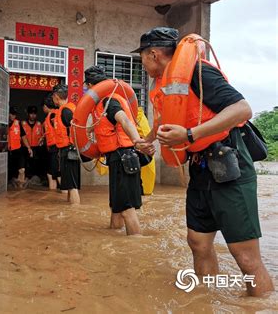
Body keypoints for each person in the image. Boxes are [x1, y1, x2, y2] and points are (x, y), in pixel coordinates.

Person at [132, 27, 274, 296]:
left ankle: (261, 304)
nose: (142, 63)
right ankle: (207, 300)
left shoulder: (198, 72)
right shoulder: (165, 85)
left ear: (153, 54)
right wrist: (150, 139)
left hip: (228, 162)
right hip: (200, 167)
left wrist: (189, 134)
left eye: (142, 57)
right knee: (197, 242)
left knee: (245, 257)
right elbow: (167, 121)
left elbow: (243, 109)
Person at [84, 65, 153, 235]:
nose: (86, 89)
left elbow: (124, 120)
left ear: (93, 85)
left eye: (87, 86)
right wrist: (88, 130)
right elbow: (106, 125)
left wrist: (137, 140)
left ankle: (136, 245)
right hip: (117, 158)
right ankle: (114, 237)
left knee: (127, 209)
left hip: (124, 157)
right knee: (117, 206)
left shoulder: (108, 101)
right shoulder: (103, 104)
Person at [52, 84, 80, 204]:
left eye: (53, 96)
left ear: (56, 97)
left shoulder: (66, 111)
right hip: (66, 151)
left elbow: (75, 131)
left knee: (72, 186)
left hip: (70, 152)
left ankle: (75, 211)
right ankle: (70, 210)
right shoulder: (64, 110)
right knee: (70, 185)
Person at [8, 106, 33, 187]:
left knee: (21, 169)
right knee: (9, 171)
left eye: (14, 114)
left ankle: (20, 187)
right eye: (11, 114)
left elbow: (23, 136)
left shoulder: (18, 123)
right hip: (6, 151)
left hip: (17, 150)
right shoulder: (3, 123)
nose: (13, 116)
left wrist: (28, 147)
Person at [21, 106, 44, 181]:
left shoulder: (39, 124)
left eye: (34, 113)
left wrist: (42, 143)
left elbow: (42, 136)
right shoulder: (22, 124)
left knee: (36, 165)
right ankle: (26, 179)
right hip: (25, 148)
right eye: (31, 113)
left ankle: (35, 180)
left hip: (36, 148)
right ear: (28, 114)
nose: (33, 115)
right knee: (25, 165)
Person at [42, 94, 59, 190]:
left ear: (45, 106)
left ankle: (62, 193)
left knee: (56, 173)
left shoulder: (53, 115)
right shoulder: (52, 115)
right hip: (53, 148)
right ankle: (53, 195)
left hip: (56, 148)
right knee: (51, 173)